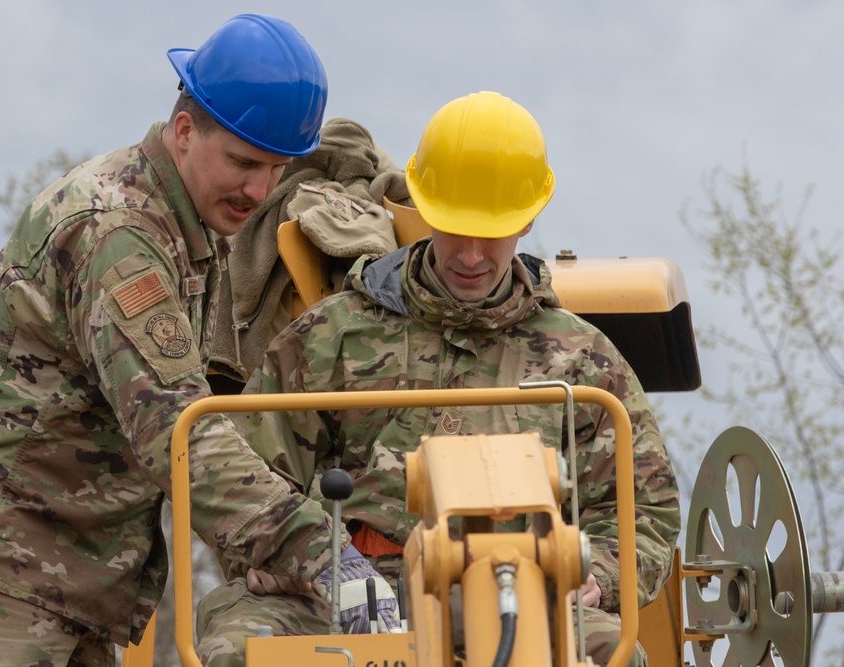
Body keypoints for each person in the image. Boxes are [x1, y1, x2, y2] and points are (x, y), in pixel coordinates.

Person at [0, 14, 397, 667]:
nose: (259, 192)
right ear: (183, 131)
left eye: (276, 171)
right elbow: (177, 429)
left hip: (62, 574)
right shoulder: (119, 232)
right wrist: (319, 549)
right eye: (243, 162)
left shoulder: (190, 229)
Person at [195, 91, 680, 667]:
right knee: (238, 650)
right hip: (344, 589)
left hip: (521, 592)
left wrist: (593, 576)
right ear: (424, 207)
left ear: (527, 220)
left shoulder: (584, 361)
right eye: (454, 227)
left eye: (492, 232)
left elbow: (642, 511)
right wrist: (299, 564)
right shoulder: (330, 337)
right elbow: (250, 477)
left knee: (615, 658)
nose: (471, 255)